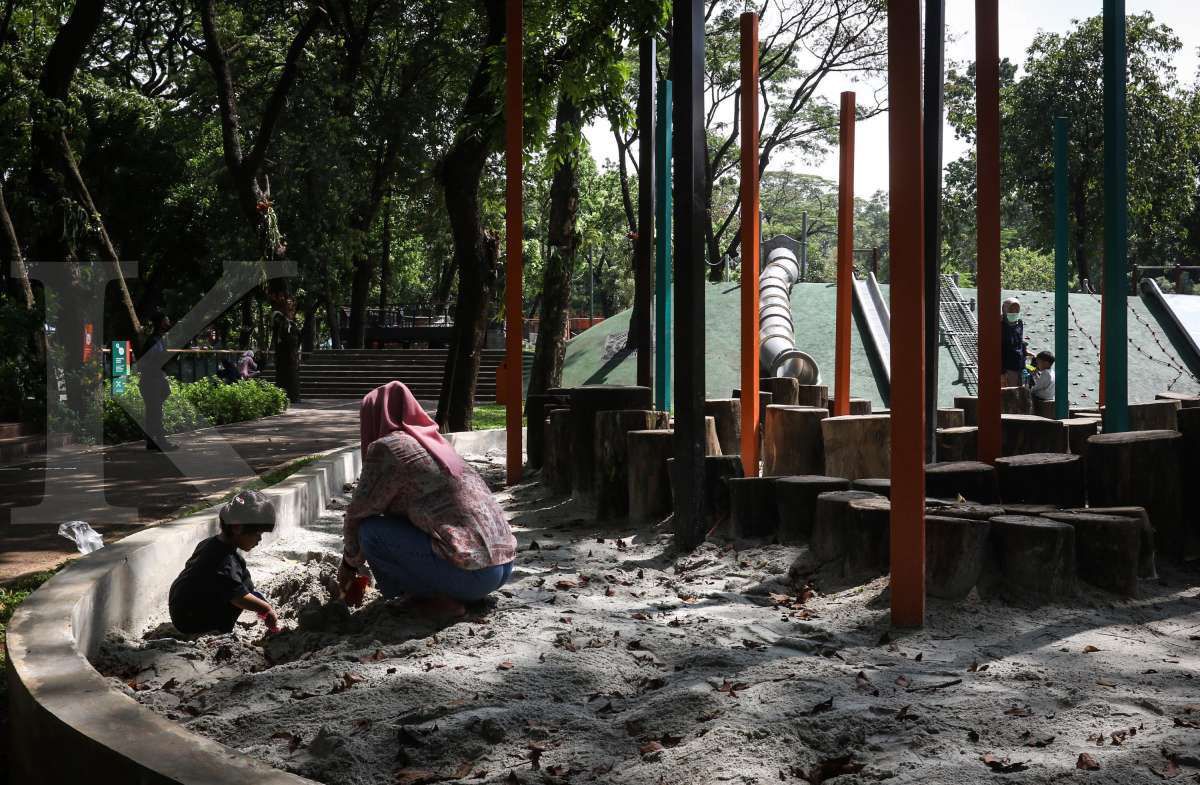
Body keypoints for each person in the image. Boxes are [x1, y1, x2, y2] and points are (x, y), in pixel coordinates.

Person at [337, 381, 516, 617]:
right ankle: (449, 592)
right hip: (503, 566)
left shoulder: (388, 448)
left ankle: (431, 599)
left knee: (370, 532)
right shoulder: (433, 443)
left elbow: (358, 513)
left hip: (472, 576)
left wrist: (348, 565)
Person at [168, 490, 279, 635]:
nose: (259, 539)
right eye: (257, 533)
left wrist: (256, 598)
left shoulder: (210, 543)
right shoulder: (225, 562)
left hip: (180, 604)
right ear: (237, 527)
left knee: (244, 579)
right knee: (236, 595)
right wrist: (265, 608)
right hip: (191, 619)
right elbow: (238, 597)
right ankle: (219, 630)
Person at [139, 309, 177, 451]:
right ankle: (161, 442)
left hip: (154, 378)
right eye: (166, 320)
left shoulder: (158, 339)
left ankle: (151, 442)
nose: (169, 322)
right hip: (152, 379)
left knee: (153, 411)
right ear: (161, 323)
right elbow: (155, 360)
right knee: (155, 412)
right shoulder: (154, 341)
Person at [1000, 297, 1027, 388]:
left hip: (1018, 365)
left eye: (1017, 310)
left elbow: (1019, 342)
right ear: (1004, 309)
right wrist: (1001, 372)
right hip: (1007, 367)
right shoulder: (999, 324)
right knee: (1008, 391)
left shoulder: (1019, 323)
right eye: (1011, 309)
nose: (1014, 312)